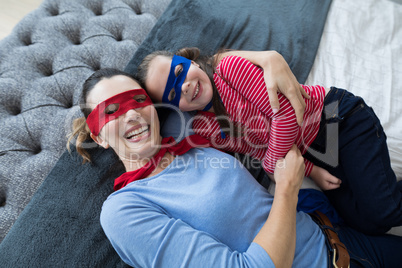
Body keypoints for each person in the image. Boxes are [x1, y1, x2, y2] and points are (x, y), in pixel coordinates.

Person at [68, 68, 402, 267]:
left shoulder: (196, 148)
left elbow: (211, 82)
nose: (132, 114)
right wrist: (287, 189)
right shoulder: (125, 210)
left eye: (138, 101)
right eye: (111, 110)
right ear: (99, 137)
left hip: (337, 236)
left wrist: (266, 59)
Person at [136, 47, 402, 235]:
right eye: (173, 93)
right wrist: (312, 172)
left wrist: (273, 166)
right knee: (366, 223)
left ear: (188, 61)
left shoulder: (228, 69)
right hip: (315, 152)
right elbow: (259, 151)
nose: (183, 85)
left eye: (180, 71)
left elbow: (286, 114)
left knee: (384, 212)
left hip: (337, 118)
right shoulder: (206, 129)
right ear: (176, 108)